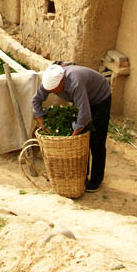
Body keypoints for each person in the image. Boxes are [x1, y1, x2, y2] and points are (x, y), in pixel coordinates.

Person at [31, 64, 112, 192]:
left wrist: (73, 137)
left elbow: (84, 115)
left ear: (62, 81)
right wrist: (42, 123)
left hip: (100, 97)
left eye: (55, 90)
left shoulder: (75, 82)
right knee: (82, 144)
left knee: (97, 141)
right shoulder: (49, 82)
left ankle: (97, 179)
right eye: (50, 90)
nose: (52, 92)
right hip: (84, 100)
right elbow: (36, 100)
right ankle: (82, 176)